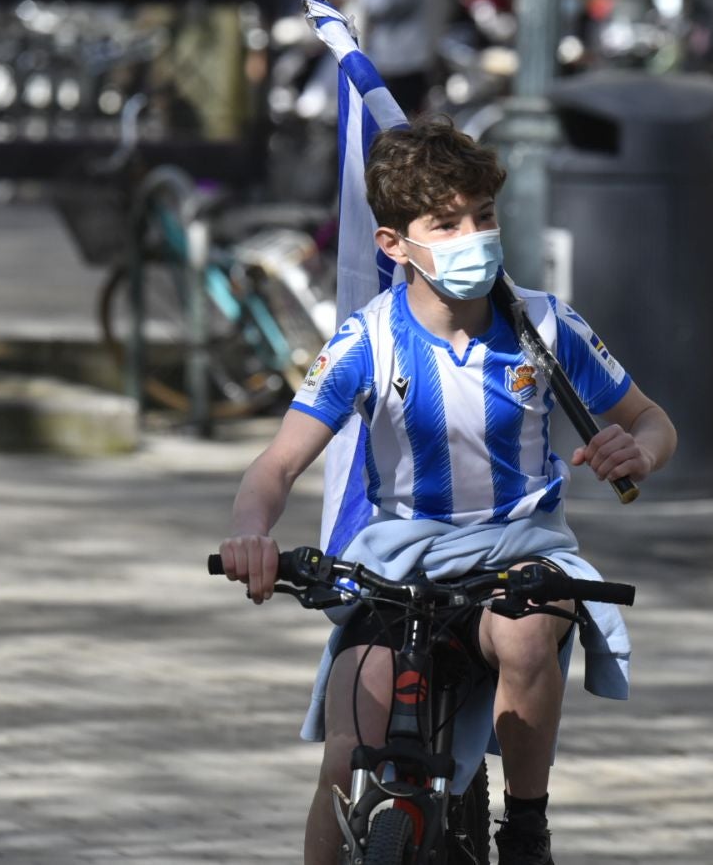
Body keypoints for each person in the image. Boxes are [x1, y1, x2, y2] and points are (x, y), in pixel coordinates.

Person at [218, 115, 677, 865]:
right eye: (447, 223)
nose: (475, 237)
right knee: (345, 760)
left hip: (518, 557)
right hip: (397, 569)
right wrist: (251, 532)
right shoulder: (366, 341)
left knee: (528, 629)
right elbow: (274, 467)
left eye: (484, 217)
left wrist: (642, 451)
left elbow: (654, 421)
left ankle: (526, 826)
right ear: (394, 244)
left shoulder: (548, 328)